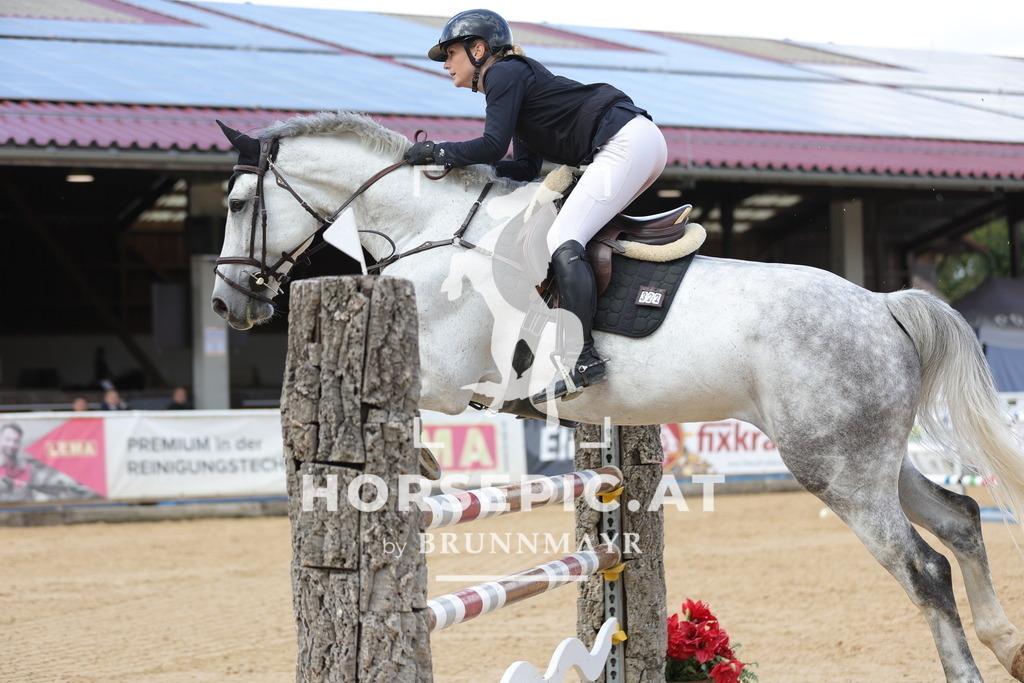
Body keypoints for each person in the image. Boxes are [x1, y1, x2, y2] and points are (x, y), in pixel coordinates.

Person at [406, 9, 668, 404]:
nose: (445, 63)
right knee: (574, 235)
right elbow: (523, 166)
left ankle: (582, 357)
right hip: (636, 142)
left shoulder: (501, 74)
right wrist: (462, 169)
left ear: (478, 50)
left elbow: (491, 146)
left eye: (451, 52)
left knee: (563, 236)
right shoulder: (514, 80)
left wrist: (440, 151)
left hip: (623, 143)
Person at [0, 422, 98, 502]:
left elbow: (50, 485)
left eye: (16, 441)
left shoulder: (28, 469)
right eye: (7, 439)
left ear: (20, 443)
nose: (11, 445)